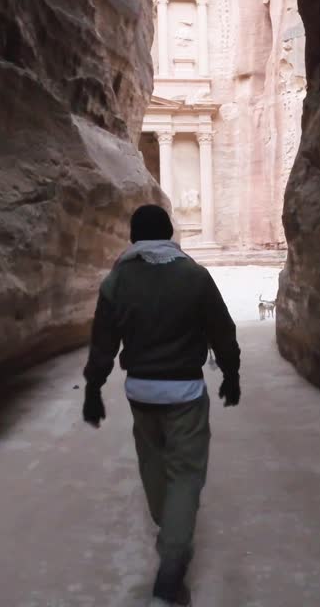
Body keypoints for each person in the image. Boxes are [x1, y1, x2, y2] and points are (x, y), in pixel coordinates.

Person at [82, 204, 241, 606]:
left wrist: (93, 389)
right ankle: (172, 562)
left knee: (153, 465)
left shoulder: (118, 279)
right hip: (185, 391)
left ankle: (167, 528)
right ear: (170, 233)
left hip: (140, 391)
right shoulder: (195, 276)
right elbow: (222, 330)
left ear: (134, 237)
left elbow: (103, 341)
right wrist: (230, 374)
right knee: (185, 473)